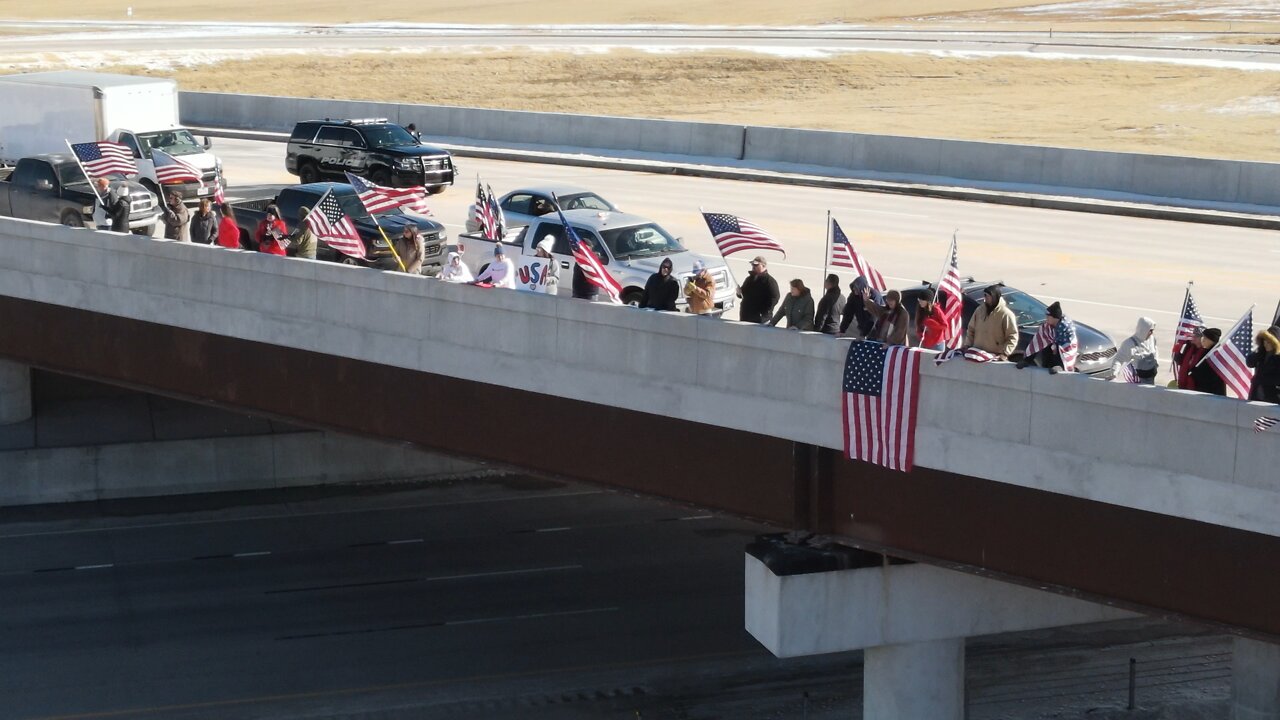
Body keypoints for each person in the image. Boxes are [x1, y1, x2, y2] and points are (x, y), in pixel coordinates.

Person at [964, 284, 1018, 359]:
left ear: (994, 297)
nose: (984, 298)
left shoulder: (1006, 314)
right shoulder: (979, 310)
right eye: (984, 295)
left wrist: (1005, 353)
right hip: (977, 354)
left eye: (986, 296)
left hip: (995, 356)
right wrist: (967, 345)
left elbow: (1012, 336)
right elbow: (971, 329)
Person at [1018, 301, 1071, 372]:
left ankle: (1060, 366)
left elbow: (1067, 347)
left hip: (1060, 358)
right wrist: (1026, 360)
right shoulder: (1046, 327)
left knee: (1059, 346)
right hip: (1048, 360)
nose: (1046, 318)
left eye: (1048, 316)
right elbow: (1037, 342)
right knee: (1045, 344)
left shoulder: (1066, 329)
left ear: (1055, 317)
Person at [1114, 317, 1159, 385]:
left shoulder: (1152, 339)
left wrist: (1156, 363)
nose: (1152, 333)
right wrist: (1114, 373)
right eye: (1150, 330)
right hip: (1138, 382)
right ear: (1143, 330)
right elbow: (1118, 359)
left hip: (1151, 378)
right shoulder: (1129, 343)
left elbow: (1155, 351)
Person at [737, 256, 779, 324]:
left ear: (763, 266)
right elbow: (742, 294)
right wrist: (739, 293)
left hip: (760, 319)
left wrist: (764, 312)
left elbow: (775, 298)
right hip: (745, 316)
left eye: (756, 265)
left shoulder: (770, 281)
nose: (753, 266)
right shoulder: (749, 279)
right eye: (752, 264)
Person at [1186, 328, 1226, 396]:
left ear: (1212, 341)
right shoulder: (1206, 352)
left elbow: (1209, 376)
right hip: (1204, 391)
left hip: (1212, 393)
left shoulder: (1214, 355)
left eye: (1206, 338)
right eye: (1203, 337)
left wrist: (1195, 372)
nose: (1203, 340)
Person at [1247, 324, 1280, 403]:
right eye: (1265, 340)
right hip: (1256, 395)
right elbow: (1250, 363)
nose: (1266, 343)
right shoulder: (1262, 354)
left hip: (1273, 397)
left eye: (1269, 342)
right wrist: (1259, 350)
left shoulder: (1278, 358)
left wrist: (1260, 379)